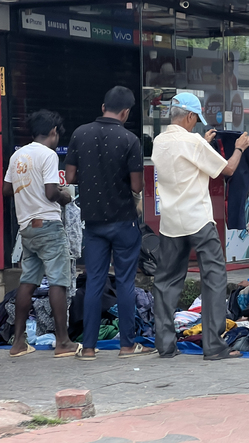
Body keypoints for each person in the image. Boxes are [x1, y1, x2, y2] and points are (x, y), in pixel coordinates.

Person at [151, 92, 249, 360]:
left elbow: (185, 160)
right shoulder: (192, 141)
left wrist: (203, 143)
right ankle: (214, 347)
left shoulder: (159, 142)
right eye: (196, 120)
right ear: (190, 116)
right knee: (214, 278)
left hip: (171, 222)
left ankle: (165, 345)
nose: (196, 125)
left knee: (166, 282)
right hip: (198, 220)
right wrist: (240, 147)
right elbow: (227, 169)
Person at [66, 86, 153, 361]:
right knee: (126, 282)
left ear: (103, 107)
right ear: (125, 112)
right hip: (124, 221)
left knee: (94, 282)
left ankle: (89, 348)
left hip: (93, 224)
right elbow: (137, 185)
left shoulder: (80, 133)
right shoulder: (130, 140)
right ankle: (127, 345)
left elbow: (70, 177)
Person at [3, 110, 80, 358]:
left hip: (27, 227)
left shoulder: (17, 155)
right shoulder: (48, 155)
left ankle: (18, 343)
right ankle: (63, 342)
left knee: (28, 281)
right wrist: (64, 196)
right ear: (54, 132)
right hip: (47, 224)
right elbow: (50, 193)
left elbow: (6, 190)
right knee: (58, 281)